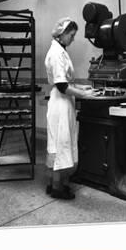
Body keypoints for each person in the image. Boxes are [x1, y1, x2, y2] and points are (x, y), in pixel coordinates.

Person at [44, 17, 97, 199]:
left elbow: (66, 82)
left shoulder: (59, 50)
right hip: (61, 103)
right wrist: (86, 95)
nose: (73, 39)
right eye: (72, 35)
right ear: (63, 33)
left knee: (58, 144)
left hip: (62, 101)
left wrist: (82, 88)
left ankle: (53, 184)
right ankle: (59, 188)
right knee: (61, 144)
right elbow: (62, 86)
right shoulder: (57, 53)